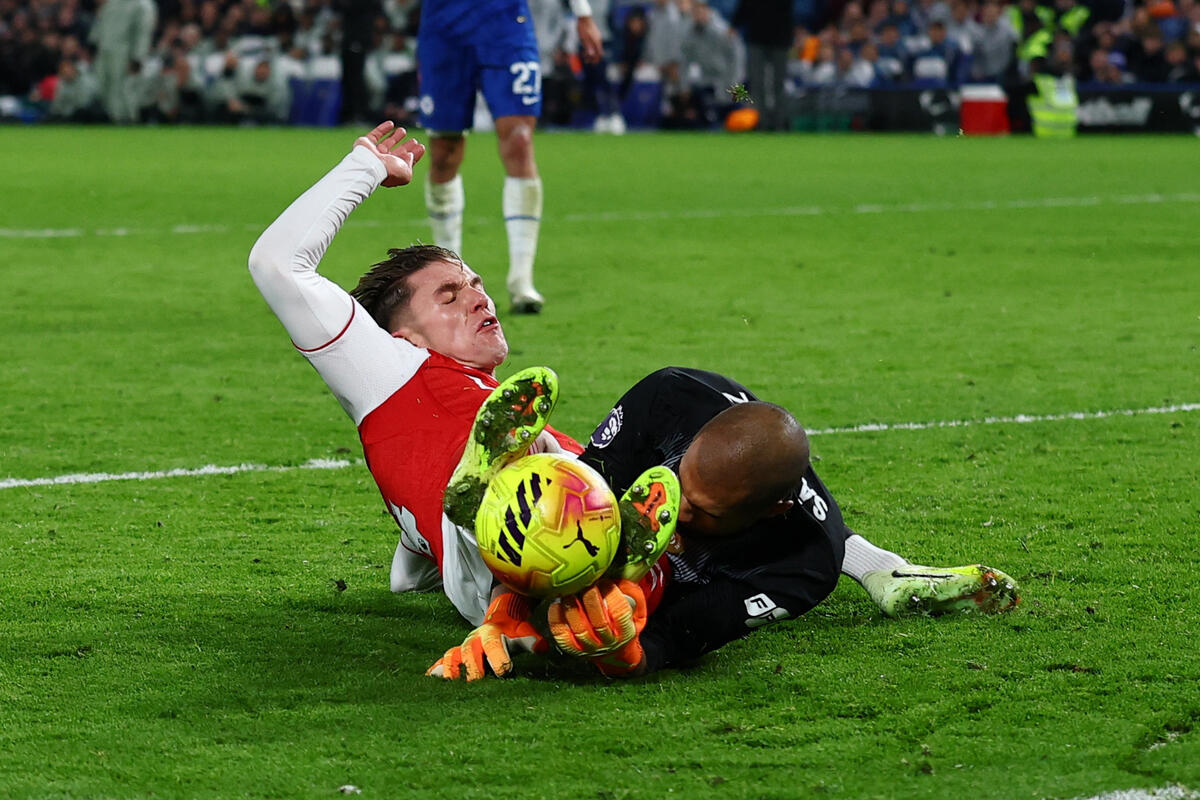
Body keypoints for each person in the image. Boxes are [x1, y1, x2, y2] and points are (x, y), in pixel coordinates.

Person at [250, 123, 1019, 680]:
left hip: (547, 541)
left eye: (478, 283)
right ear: (400, 337)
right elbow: (278, 264)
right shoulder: (389, 370)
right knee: (636, 453)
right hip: (518, 547)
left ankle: (859, 569)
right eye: (449, 296)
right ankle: (514, 518)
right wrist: (366, 166)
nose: (479, 297)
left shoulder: (482, 404)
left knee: (682, 467)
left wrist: (413, 550)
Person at [417, 0, 604, 314]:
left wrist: (583, 14)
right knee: (444, 153)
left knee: (519, 139)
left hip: (505, 24)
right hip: (444, 24)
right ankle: (451, 275)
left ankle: (522, 281)